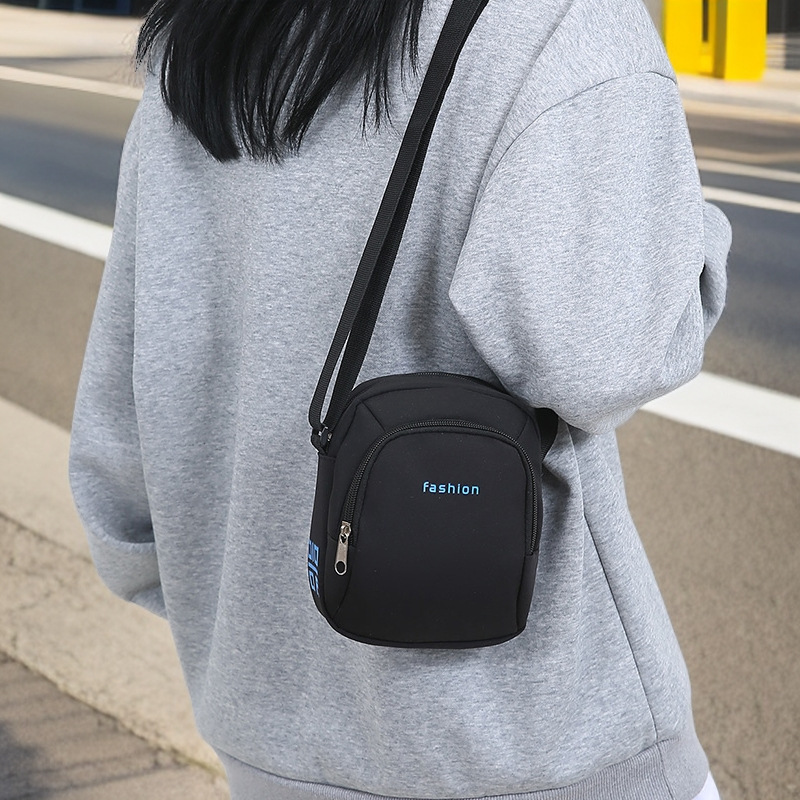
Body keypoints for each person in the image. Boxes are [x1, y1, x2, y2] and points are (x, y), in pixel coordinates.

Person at [69, 0, 732, 798]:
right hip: (536, 748)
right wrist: (689, 231)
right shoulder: (555, 22)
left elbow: (119, 469)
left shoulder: (203, 34)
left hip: (266, 743)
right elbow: (606, 355)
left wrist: (255, 638)